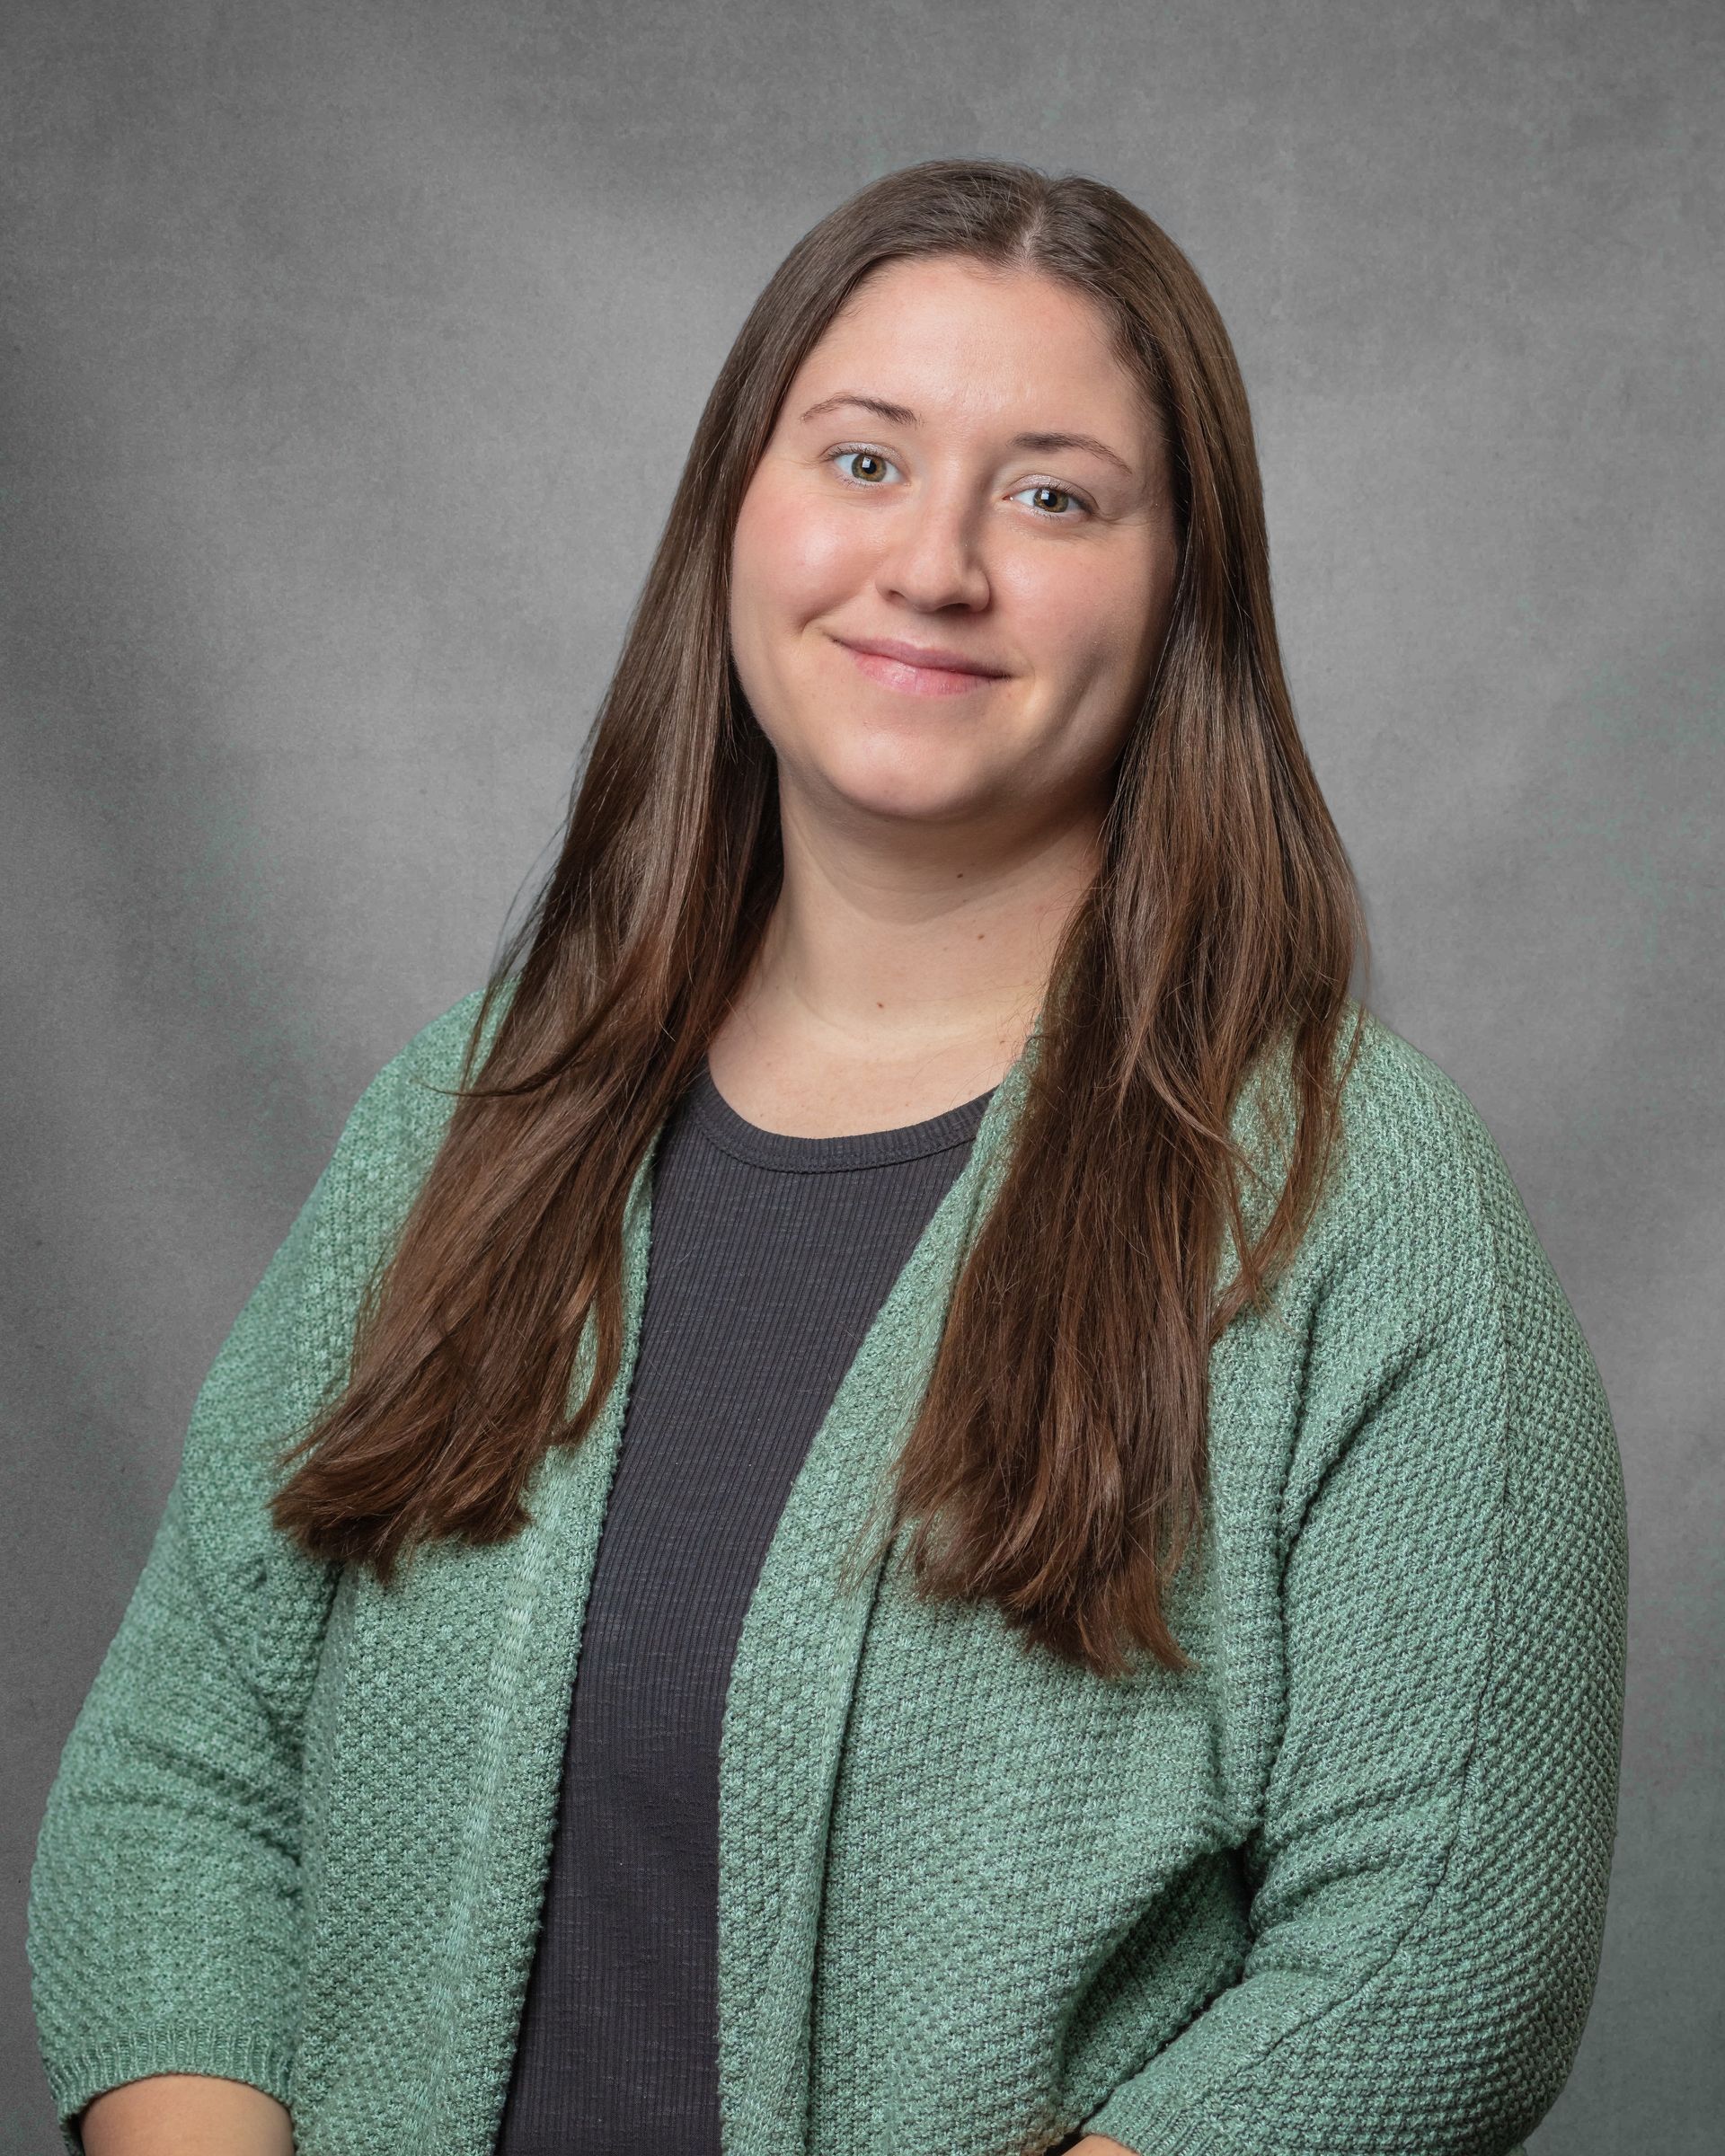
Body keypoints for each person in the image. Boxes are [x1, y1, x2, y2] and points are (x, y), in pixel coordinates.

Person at [28, 158, 1628, 2156]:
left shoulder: (1358, 1194)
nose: (935, 561)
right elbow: (185, 1779)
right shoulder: (467, 1121)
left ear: (1181, 585)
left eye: (1052, 494)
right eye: (864, 461)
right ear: (736, 514)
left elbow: (1439, 1952)